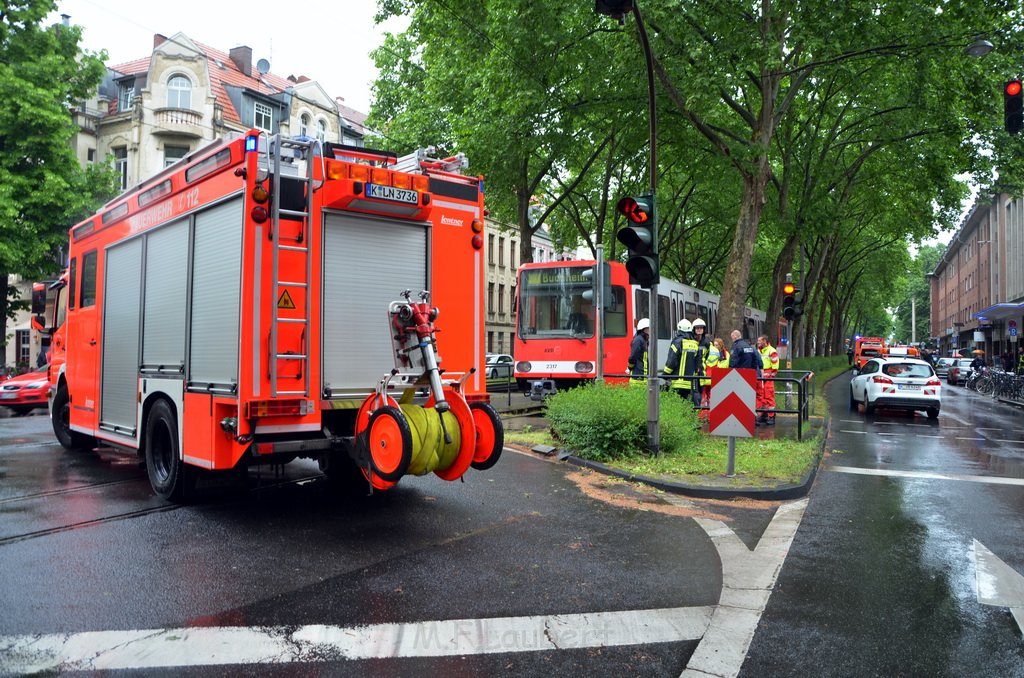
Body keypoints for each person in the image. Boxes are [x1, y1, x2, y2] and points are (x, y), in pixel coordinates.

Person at [663, 319, 701, 406]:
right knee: (686, 405)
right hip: (688, 384)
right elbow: (697, 365)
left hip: (677, 382)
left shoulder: (677, 342)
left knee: (676, 406)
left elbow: (672, 361)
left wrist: (665, 374)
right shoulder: (695, 344)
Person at [699, 337, 730, 417]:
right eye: (714, 345)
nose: (716, 347)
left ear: (721, 345)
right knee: (706, 397)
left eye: (717, 345)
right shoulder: (722, 353)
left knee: (708, 397)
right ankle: (706, 415)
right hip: (711, 377)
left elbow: (725, 365)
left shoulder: (724, 354)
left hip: (713, 377)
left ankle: (708, 415)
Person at [756, 335, 780, 426]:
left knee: (769, 396)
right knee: (761, 396)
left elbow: (775, 366)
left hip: (768, 376)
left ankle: (771, 416)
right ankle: (764, 414)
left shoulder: (772, 351)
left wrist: (770, 375)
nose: (758, 342)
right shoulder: (759, 350)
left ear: (764, 341)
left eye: (759, 340)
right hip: (761, 376)